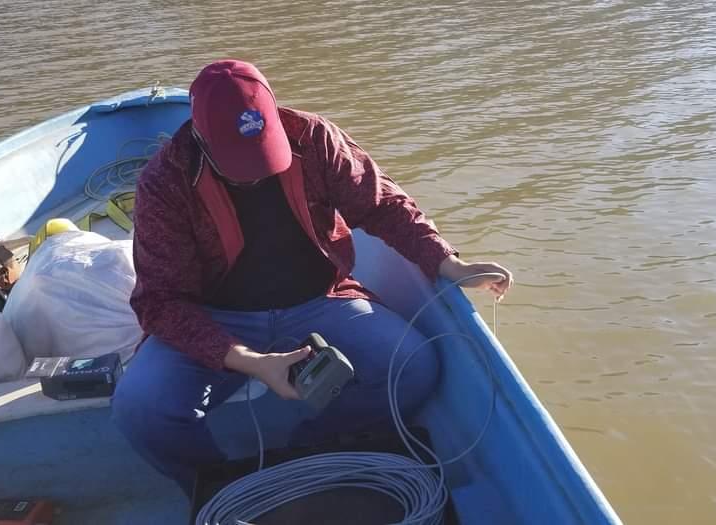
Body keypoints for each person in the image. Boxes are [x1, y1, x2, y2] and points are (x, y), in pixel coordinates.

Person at [110, 59, 513, 496]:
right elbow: (161, 303)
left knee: (413, 366)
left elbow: (382, 204)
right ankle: (223, 488)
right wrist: (247, 360)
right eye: (241, 164)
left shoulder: (315, 139)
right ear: (201, 139)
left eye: (265, 154)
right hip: (216, 319)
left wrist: (448, 262)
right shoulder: (164, 182)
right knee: (140, 408)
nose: (259, 171)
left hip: (321, 301)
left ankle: (307, 451)